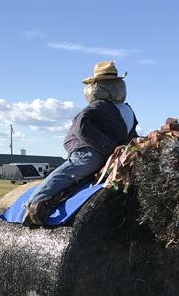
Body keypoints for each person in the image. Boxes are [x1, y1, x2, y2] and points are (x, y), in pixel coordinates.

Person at [24, 61, 138, 225]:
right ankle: (36, 201)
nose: (114, 87)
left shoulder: (127, 110)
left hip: (113, 153)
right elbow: (81, 127)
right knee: (84, 164)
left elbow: (130, 134)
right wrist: (109, 148)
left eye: (114, 84)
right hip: (88, 148)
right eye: (109, 84)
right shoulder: (98, 107)